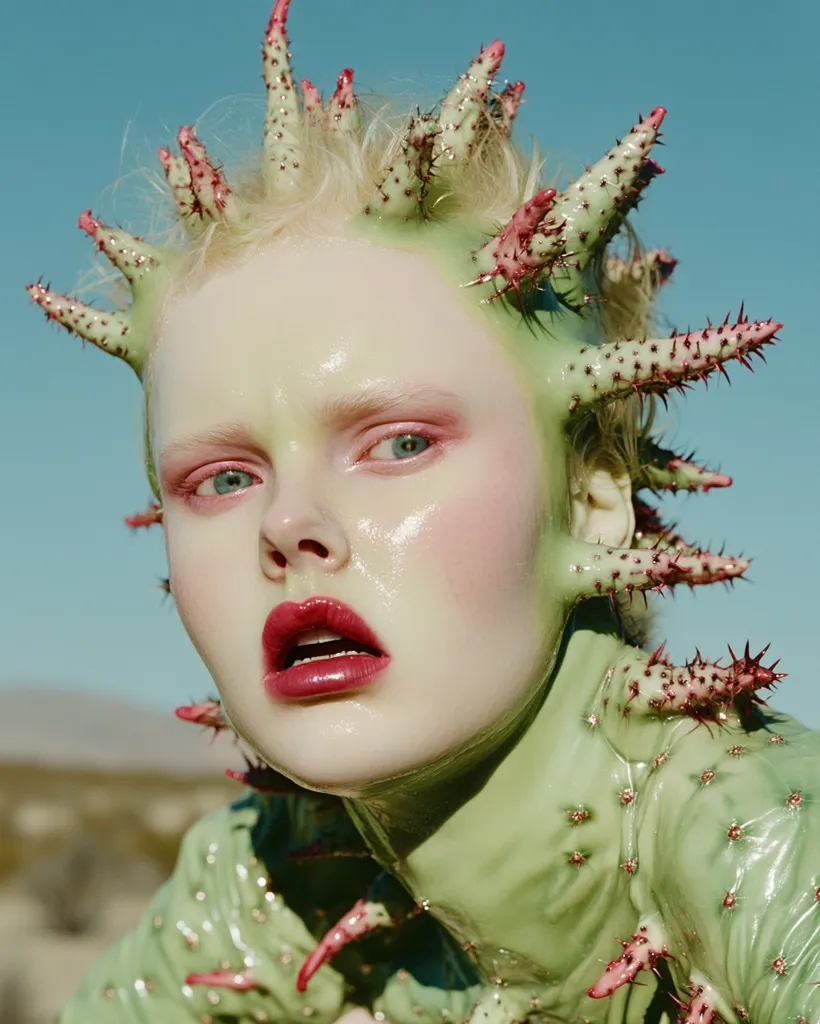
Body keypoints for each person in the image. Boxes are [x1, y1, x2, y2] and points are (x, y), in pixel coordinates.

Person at [29, 2, 815, 1021]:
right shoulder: (268, 876)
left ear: (593, 496)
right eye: (222, 479)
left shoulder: (760, 842)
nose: (287, 524)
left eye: (398, 443)